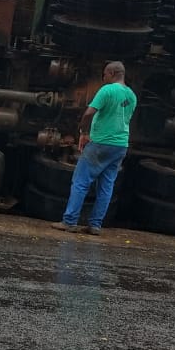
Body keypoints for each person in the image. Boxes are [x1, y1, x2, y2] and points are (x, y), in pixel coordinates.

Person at [53, 60, 137, 235]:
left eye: (104, 74)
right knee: (106, 186)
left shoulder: (107, 90)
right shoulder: (132, 95)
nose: (103, 78)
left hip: (100, 143)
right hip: (120, 146)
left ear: (112, 73)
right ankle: (95, 225)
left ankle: (69, 221)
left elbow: (89, 112)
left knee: (81, 181)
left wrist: (83, 132)